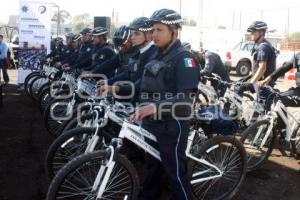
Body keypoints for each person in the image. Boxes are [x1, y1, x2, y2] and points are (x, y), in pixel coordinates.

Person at [130, 9, 199, 200]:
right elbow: (144, 84)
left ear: (174, 31)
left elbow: (184, 99)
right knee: (154, 168)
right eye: (153, 30)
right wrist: (118, 88)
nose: (154, 34)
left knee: (175, 174)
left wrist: (154, 107)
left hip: (172, 126)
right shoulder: (157, 55)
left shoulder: (185, 59)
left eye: (159, 30)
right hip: (153, 123)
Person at [99, 17, 157, 102]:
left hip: (147, 105)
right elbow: (127, 74)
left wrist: (117, 88)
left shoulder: (155, 55)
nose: (132, 37)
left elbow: (143, 83)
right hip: (133, 100)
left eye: (136, 34)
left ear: (148, 36)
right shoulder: (138, 54)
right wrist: (108, 82)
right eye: (132, 34)